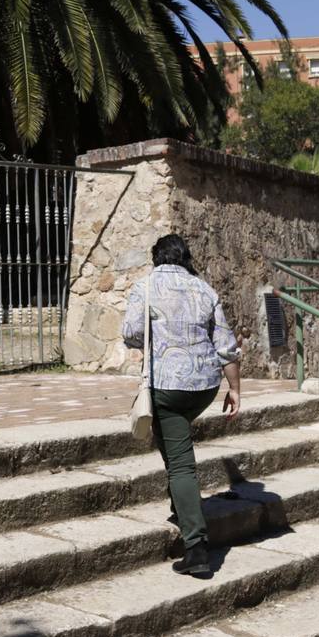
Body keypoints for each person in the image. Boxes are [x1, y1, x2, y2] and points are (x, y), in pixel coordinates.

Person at [122, 233, 241, 578]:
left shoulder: (144, 287)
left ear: (156, 257)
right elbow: (227, 346)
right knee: (172, 441)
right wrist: (234, 389)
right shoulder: (204, 289)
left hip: (168, 387)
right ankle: (181, 504)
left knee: (180, 463)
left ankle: (197, 547)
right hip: (204, 387)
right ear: (185, 257)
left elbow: (130, 332)